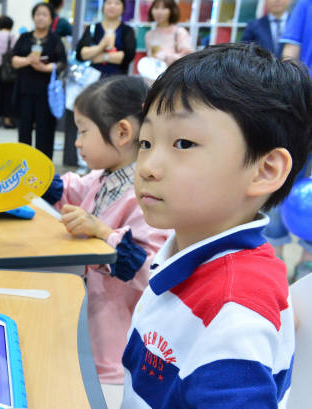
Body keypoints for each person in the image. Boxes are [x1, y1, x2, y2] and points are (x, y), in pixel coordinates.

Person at [122, 43, 310, 408]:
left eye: (183, 143)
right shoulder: (192, 251)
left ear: (264, 170)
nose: (146, 166)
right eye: (146, 142)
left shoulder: (234, 309)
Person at [41, 76, 169, 402]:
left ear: (122, 132)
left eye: (83, 131)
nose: (77, 143)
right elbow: (73, 190)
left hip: (111, 347)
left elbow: (149, 271)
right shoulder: (105, 176)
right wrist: (30, 176)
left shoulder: (147, 196)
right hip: (83, 317)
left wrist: (103, 234)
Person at [277, 0, 312, 281]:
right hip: (302, 107)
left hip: (300, 106)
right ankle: (274, 260)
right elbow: (290, 54)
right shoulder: (305, 4)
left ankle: (306, 266)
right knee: (282, 175)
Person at [11, 3, 66, 160]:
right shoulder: (24, 37)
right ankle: (23, 165)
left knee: (45, 130)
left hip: (46, 93)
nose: (40, 18)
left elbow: (62, 63)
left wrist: (46, 68)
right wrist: (28, 60)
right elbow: (13, 60)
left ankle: (43, 166)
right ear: (33, 17)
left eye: (45, 15)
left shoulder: (55, 40)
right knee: (24, 130)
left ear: (50, 19)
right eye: (38, 14)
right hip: (25, 90)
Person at [76, 0, 136, 77]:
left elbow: (128, 57)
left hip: (117, 80)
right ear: (103, 7)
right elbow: (80, 54)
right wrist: (101, 46)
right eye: (109, 3)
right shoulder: (93, 28)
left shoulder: (127, 30)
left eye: (117, 3)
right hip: (92, 79)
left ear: (123, 8)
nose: (112, 6)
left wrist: (99, 57)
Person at [144, 0, 193, 66]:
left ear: (172, 10)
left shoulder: (179, 32)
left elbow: (189, 57)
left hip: (174, 74)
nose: (159, 12)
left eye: (164, 8)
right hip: (154, 75)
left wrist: (167, 56)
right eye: (156, 8)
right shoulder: (149, 35)